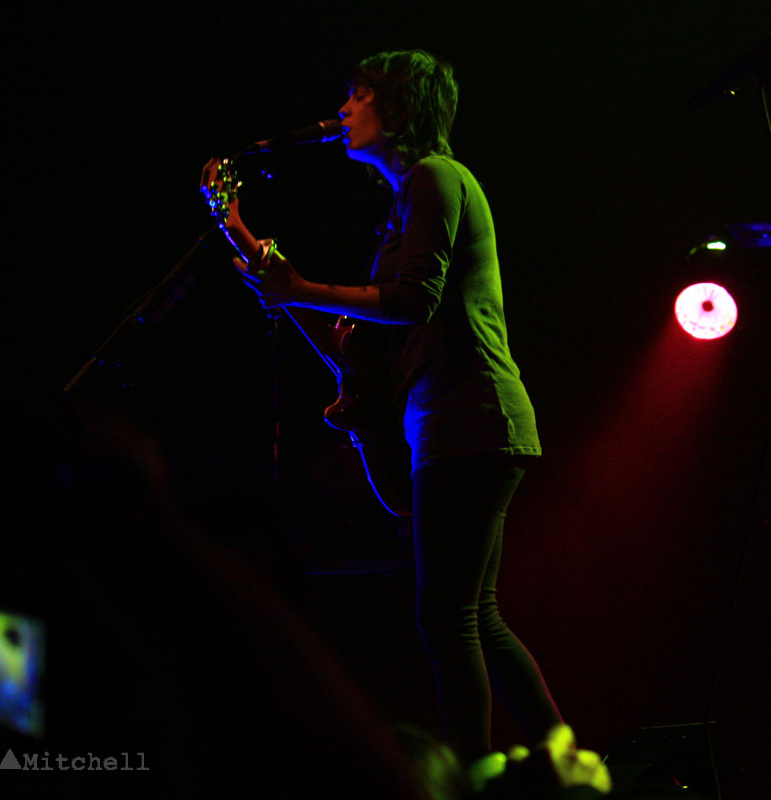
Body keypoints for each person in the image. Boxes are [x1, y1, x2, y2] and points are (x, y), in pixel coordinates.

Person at [229, 49, 563, 764]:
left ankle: (473, 778)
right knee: (476, 616)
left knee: (447, 619)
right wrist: (250, 245)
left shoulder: (436, 177)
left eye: (358, 96)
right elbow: (362, 345)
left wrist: (302, 288)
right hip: (460, 421)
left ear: (399, 107)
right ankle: (566, 763)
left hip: (470, 416)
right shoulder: (411, 195)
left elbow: (415, 300)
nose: (343, 110)